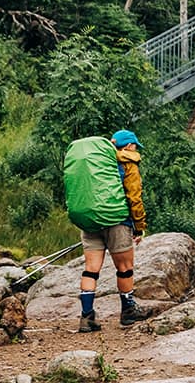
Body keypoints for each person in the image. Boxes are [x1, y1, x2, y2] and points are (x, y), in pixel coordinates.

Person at [63, 129, 148, 333]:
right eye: (135, 145)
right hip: (117, 220)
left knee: (91, 268)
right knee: (125, 267)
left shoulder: (96, 163)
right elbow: (134, 197)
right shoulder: (128, 163)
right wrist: (139, 226)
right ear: (128, 146)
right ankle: (128, 311)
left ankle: (87, 317)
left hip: (89, 220)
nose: (136, 149)